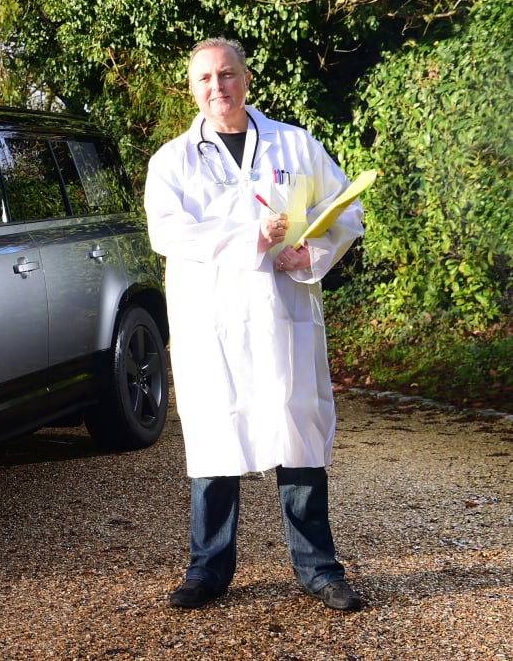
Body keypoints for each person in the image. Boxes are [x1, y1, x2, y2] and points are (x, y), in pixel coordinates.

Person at [143, 37, 366, 611]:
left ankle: (318, 569)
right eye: (204, 79)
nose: (217, 87)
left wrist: (309, 252)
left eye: (226, 75)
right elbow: (167, 234)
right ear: (192, 89)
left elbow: (346, 206)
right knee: (218, 435)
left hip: (281, 314)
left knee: (298, 432)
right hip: (212, 320)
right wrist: (251, 240)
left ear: (246, 79)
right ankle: (207, 569)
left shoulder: (294, 144)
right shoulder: (173, 160)